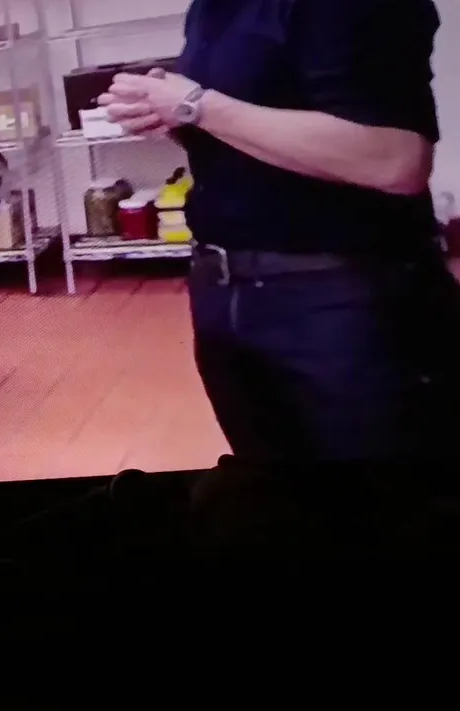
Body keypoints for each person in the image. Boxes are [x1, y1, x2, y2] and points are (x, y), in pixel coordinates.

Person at [100, 0, 460, 471]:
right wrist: (173, 118)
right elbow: (250, 122)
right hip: (224, 292)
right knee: (272, 494)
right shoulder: (213, 8)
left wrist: (198, 106)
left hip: (345, 300)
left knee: (387, 496)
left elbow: (395, 160)